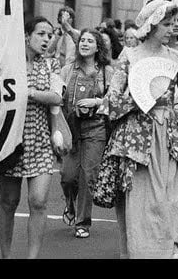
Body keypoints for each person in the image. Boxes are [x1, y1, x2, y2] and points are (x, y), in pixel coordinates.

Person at [97, 0, 178, 258]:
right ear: (152, 25)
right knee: (142, 204)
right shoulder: (130, 56)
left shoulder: (176, 56)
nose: (173, 28)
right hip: (137, 139)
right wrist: (140, 100)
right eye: (166, 23)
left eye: (175, 23)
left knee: (175, 201)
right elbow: (111, 101)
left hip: (171, 136)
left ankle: (171, 252)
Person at [0, 16, 63, 259]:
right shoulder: (8, 63)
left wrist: (30, 92)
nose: (47, 39)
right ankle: (6, 255)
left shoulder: (52, 65)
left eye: (50, 34)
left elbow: (57, 97)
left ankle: (32, 257)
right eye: (41, 34)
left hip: (41, 140)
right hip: (11, 141)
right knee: (8, 202)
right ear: (27, 35)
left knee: (38, 201)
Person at [60, 28, 113, 239]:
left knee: (88, 176)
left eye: (90, 41)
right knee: (67, 177)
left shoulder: (107, 72)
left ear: (97, 47)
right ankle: (69, 204)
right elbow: (58, 97)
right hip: (71, 127)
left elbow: (115, 98)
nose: (84, 43)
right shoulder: (67, 70)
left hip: (96, 128)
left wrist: (97, 101)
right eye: (82, 40)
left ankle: (83, 222)